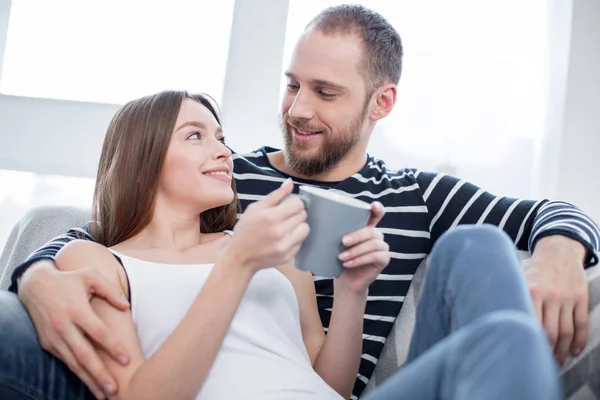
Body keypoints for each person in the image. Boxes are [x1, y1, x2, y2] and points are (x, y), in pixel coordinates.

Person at [0, 3, 598, 399]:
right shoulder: (239, 187)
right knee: (506, 339)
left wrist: (560, 255)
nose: (298, 109)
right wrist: (32, 276)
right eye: (292, 85)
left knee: (481, 243)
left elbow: (550, 212)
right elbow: (96, 233)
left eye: (325, 92)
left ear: (380, 104)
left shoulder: (411, 194)